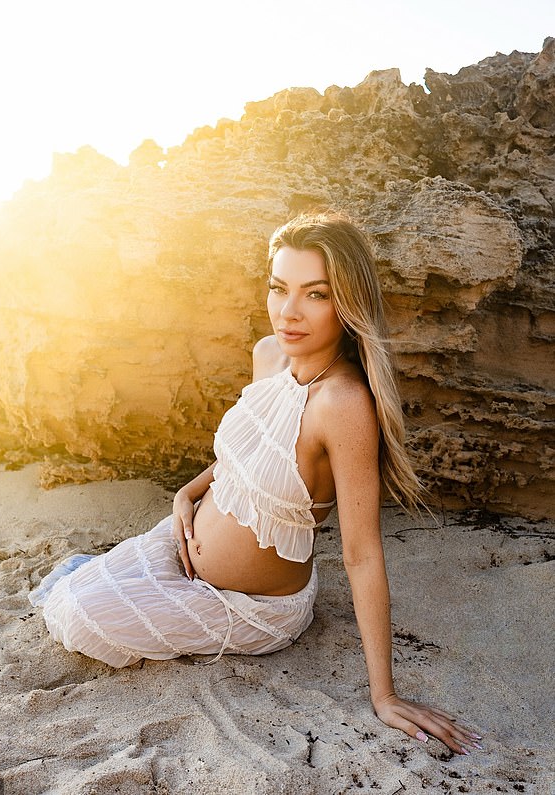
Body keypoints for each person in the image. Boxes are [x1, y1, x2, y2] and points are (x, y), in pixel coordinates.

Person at [29, 212, 481, 756]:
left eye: (315, 293)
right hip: (186, 538)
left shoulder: (341, 405)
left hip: (252, 606)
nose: (288, 312)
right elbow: (250, 450)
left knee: (79, 615)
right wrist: (188, 492)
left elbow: (362, 554)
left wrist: (384, 695)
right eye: (278, 287)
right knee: (71, 591)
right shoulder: (269, 355)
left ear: (348, 303)